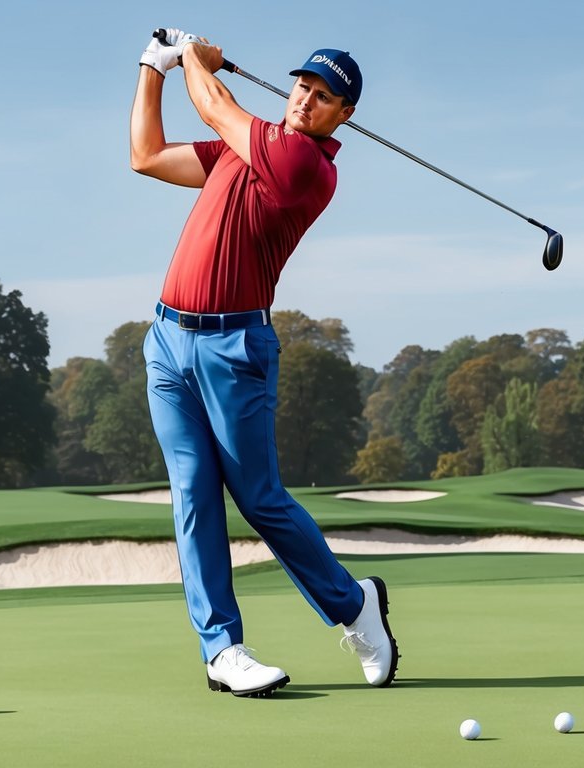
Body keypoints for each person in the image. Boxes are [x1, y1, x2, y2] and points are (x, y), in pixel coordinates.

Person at [129, 28, 397, 698]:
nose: (306, 100)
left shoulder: (303, 164)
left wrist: (194, 56)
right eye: (303, 86)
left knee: (258, 498)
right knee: (192, 494)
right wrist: (151, 68)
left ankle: (353, 606)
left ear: (344, 116)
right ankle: (221, 651)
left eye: (324, 96)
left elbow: (217, 104)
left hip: (233, 349)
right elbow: (146, 155)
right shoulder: (237, 152)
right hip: (166, 341)